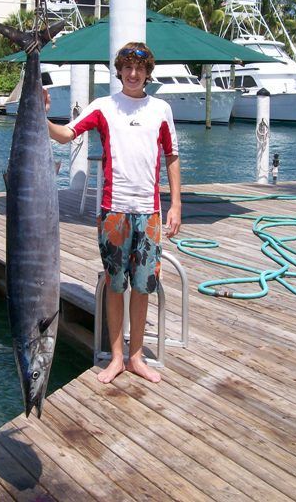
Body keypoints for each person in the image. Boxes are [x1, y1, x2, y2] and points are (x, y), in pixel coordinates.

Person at [47, 42, 181, 384]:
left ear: (148, 73)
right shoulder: (103, 107)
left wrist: (176, 204)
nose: (133, 74)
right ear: (119, 71)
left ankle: (136, 356)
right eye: (127, 68)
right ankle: (117, 356)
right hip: (113, 212)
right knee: (115, 283)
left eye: (140, 69)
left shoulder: (161, 109)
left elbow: (172, 156)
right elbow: (66, 136)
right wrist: (39, 115)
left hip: (149, 212)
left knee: (143, 285)